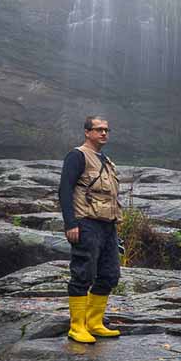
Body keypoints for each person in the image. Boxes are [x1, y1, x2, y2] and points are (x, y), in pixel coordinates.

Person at [58, 115, 123, 343]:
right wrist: (70, 224)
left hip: (108, 225)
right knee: (83, 273)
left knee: (109, 274)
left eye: (106, 129)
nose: (104, 133)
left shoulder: (105, 159)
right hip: (86, 223)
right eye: (98, 130)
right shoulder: (77, 156)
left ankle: (94, 323)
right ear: (87, 132)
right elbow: (64, 190)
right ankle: (77, 327)